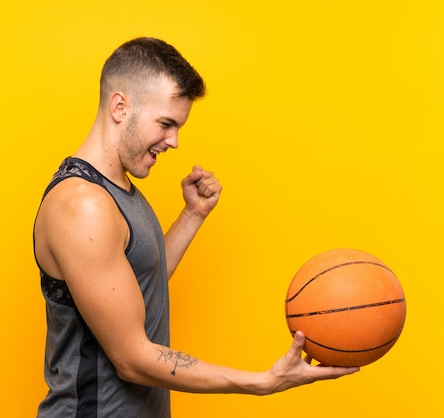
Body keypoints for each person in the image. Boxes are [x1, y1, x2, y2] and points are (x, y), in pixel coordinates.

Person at [33, 37, 359, 418]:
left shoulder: (118, 191)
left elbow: (140, 284)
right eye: (166, 124)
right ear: (120, 107)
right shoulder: (83, 206)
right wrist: (260, 382)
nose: (173, 141)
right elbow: (131, 359)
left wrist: (193, 214)